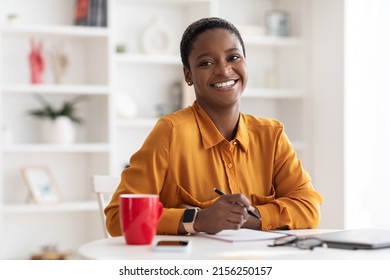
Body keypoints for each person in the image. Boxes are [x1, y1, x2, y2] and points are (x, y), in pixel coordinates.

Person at [105, 17, 323, 236]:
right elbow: (117, 218)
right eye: (206, 63)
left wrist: (247, 217)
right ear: (188, 75)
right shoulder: (170, 132)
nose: (224, 70)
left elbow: (308, 208)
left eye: (233, 57)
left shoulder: (271, 135)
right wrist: (197, 219)